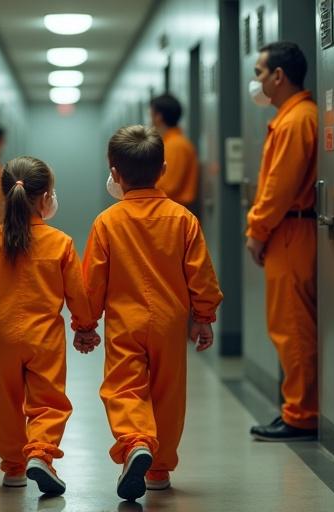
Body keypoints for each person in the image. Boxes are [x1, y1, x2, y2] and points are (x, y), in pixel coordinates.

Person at [81, 125, 223, 501]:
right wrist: (204, 316)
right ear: (162, 170)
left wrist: (85, 323)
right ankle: (158, 470)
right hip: (170, 322)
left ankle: (135, 442)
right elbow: (201, 274)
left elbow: (93, 280)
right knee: (168, 393)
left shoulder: (107, 222)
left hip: (124, 322)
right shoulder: (182, 219)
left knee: (124, 387)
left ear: (114, 172)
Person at [0, 156, 99, 495]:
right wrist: (85, 326)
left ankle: (14, 467)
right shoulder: (60, 243)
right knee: (48, 401)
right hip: (45, 339)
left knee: (6, 403)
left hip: (3, 336)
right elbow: (77, 292)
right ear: (46, 198)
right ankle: (40, 454)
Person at [246, 42, 318, 441]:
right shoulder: (293, 117)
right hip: (291, 230)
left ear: (278, 76)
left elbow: (279, 188)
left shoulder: (295, 122)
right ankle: (295, 407)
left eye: (258, 72)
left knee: (293, 326)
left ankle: (302, 413)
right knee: (289, 324)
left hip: (291, 232)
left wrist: (257, 231)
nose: (254, 80)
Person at [150, 93, 198, 208]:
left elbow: (168, 187)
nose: (150, 119)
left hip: (172, 214)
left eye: (151, 113)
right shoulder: (170, 143)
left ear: (158, 116)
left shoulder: (175, 146)